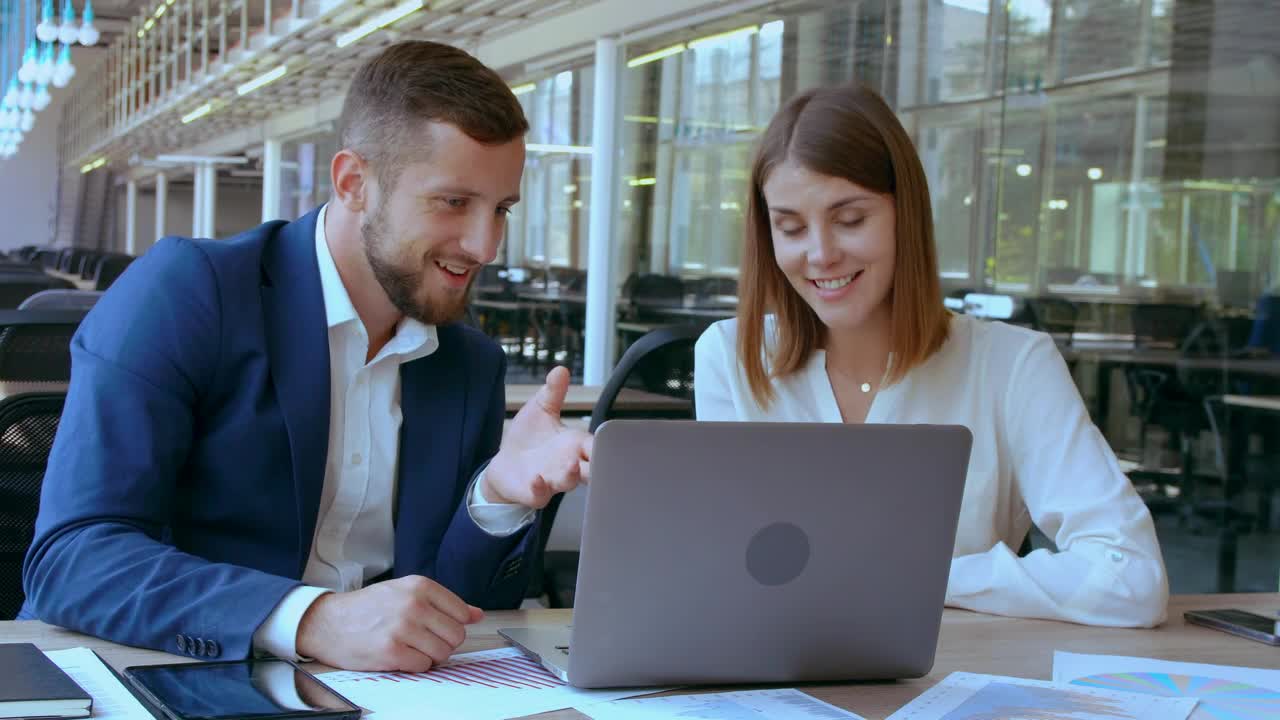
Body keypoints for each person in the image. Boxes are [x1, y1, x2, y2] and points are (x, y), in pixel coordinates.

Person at [20, 41, 592, 672]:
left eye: (501, 209)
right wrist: (310, 617)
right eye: (454, 202)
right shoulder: (191, 293)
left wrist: (498, 496)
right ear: (354, 184)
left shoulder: (467, 361)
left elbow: (454, 609)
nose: (486, 245)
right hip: (174, 675)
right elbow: (74, 558)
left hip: (371, 698)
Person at [694, 83, 1168, 627]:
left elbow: (1131, 577)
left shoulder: (1012, 366)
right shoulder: (731, 358)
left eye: (850, 219)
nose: (821, 254)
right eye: (791, 228)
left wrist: (914, 576)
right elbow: (729, 567)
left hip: (951, 686)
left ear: (906, 216)